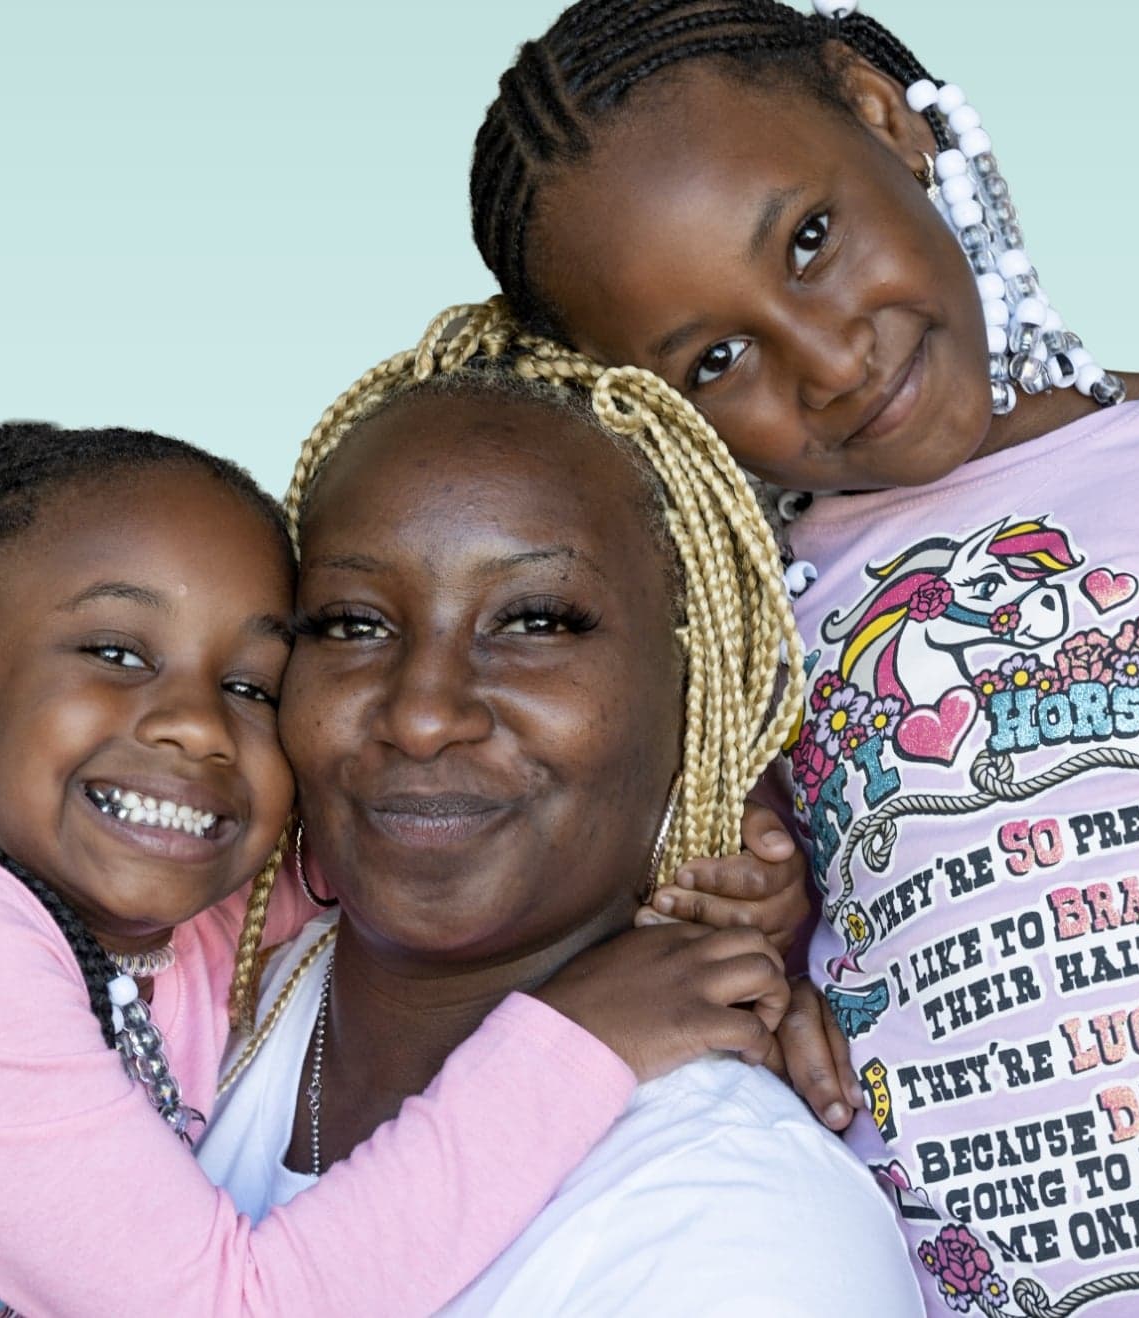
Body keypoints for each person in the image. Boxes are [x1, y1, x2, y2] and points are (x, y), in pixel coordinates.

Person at [464, 2, 1139, 1314]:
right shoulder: (736, 626)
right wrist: (769, 925)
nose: (830, 361)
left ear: (882, 116)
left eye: (809, 239)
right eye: (718, 358)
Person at [0, 422, 801, 1316]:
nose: (195, 725)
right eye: (116, 651)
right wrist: (581, 1037)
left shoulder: (176, 930)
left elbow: (433, 837)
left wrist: (729, 867)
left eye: (250, 685)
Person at [197, 302, 924, 1316]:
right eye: (353, 625)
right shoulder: (175, 1022)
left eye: (536, 621)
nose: (422, 715)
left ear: (698, 687)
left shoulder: (737, 1223)